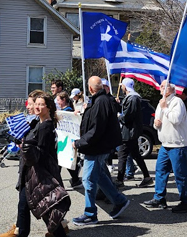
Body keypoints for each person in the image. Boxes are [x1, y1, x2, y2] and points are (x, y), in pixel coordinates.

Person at [1, 93, 72, 237]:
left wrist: (24, 147)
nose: (37, 107)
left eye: (41, 105)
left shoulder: (46, 126)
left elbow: (39, 153)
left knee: (48, 211)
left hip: (41, 175)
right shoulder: (39, 123)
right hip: (31, 174)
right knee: (23, 208)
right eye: (37, 104)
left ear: (49, 108)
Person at [72, 76, 131, 225]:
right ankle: (120, 201)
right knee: (100, 176)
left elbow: (96, 129)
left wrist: (80, 143)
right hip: (97, 146)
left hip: (96, 147)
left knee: (88, 179)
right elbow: (94, 124)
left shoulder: (101, 102)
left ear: (91, 89)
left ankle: (90, 213)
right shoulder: (99, 101)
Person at [143, 80, 187, 213]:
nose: (160, 87)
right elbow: (158, 121)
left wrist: (165, 108)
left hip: (177, 144)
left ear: (171, 89)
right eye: (161, 85)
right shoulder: (162, 102)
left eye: (163, 86)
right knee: (160, 171)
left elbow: (176, 120)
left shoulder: (177, 102)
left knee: (180, 174)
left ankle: (186, 201)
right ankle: (159, 198)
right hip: (165, 144)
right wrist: (156, 123)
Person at [114, 78, 153, 188]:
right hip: (130, 132)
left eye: (122, 86)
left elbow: (127, 117)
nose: (121, 88)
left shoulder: (132, 98)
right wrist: (120, 104)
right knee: (136, 155)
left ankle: (119, 180)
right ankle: (147, 177)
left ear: (125, 87)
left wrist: (119, 116)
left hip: (128, 132)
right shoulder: (132, 98)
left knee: (122, 155)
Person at [56, 91, 82, 188]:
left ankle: (57, 183)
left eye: (58, 100)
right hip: (62, 139)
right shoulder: (62, 111)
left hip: (67, 140)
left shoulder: (69, 111)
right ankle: (75, 180)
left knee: (62, 161)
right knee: (63, 161)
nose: (57, 102)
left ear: (63, 100)